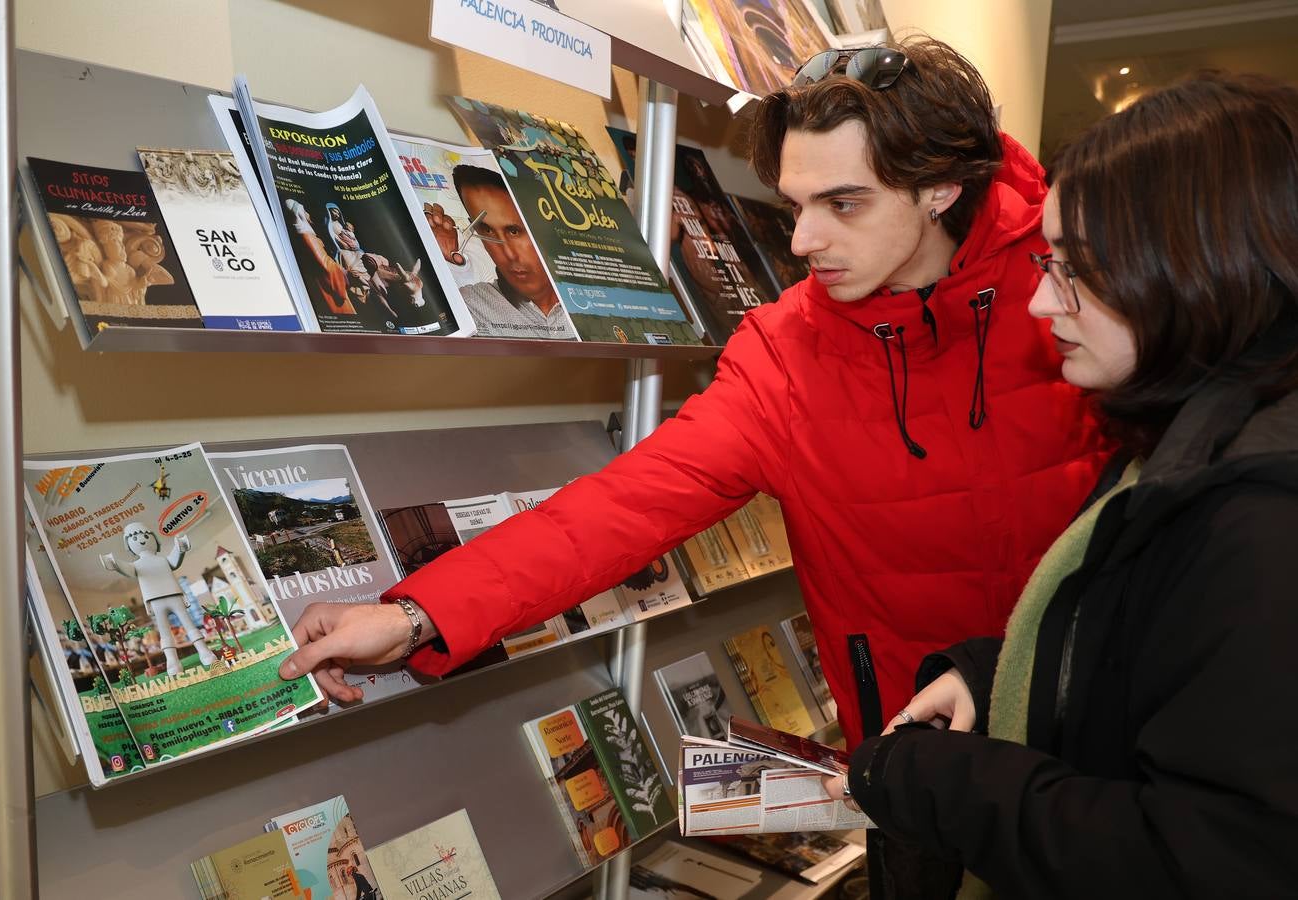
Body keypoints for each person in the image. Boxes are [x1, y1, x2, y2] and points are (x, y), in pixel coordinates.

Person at [281, 33, 1105, 794]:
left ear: (939, 189)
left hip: (1095, 721)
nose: (805, 242)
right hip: (910, 753)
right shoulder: (787, 351)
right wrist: (416, 613)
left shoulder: (1083, 296)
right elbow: (619, 509)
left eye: (843, 204)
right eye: (794, 206)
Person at [836, 71, 1298, 898]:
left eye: (1075, 268)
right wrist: (991, 678)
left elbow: (1206, 862)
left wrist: (942, 783)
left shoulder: (1263, 518)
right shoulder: (1188, 439)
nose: (1042, 303)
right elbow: (1151, 664)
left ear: (1198, 265)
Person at [423, 164, 573, 339]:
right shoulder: (474, 302)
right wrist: (448, 265)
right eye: (486, 230)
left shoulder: (593, 300)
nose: (509, 255)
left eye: (514, 231)